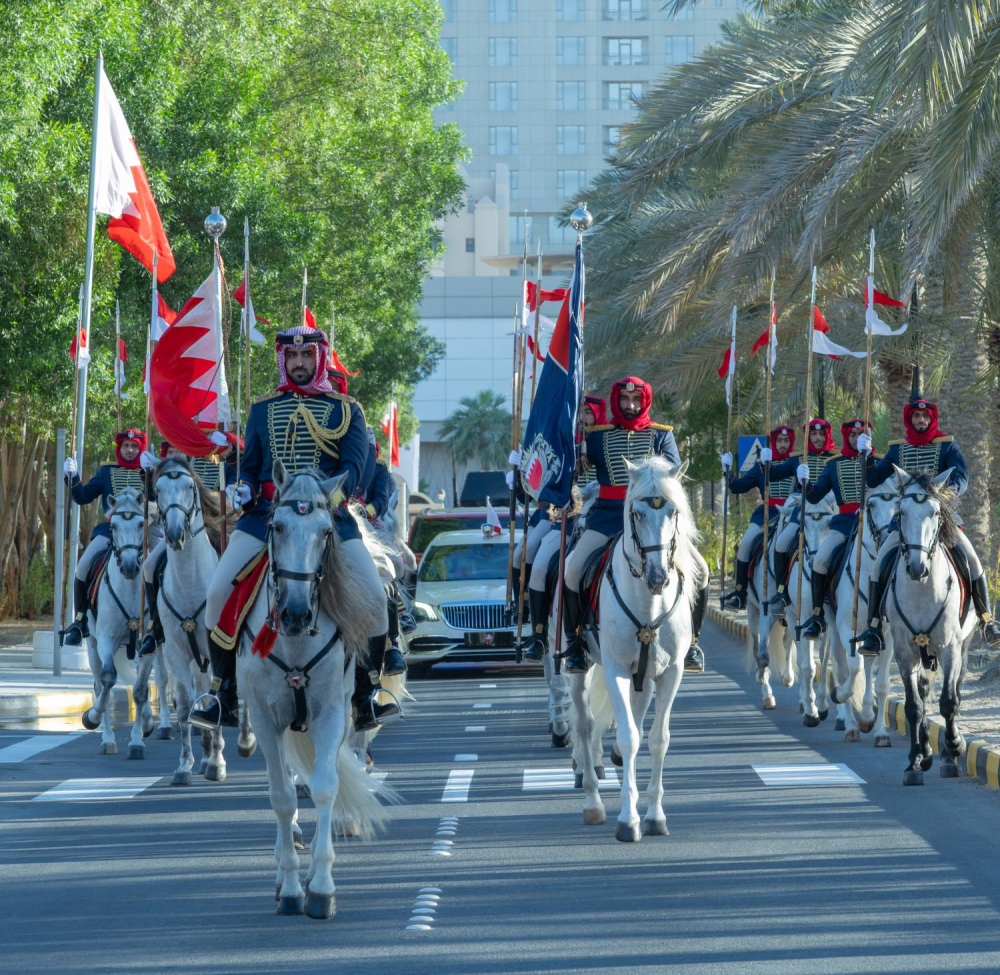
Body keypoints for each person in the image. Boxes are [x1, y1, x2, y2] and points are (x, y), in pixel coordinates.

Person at [192, 324, 390, 731]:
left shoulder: (346, 409)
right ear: (283, 359)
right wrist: (244, 489)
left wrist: (325, 504)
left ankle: (368, 692)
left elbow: (354, 468)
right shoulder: (263, 408)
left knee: (376, 597)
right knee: (215, 594)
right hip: (266, 514)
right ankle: (221, 691)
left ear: (320, 357)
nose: (299, 363)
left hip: (328, 520)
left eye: (307, 356)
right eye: (292, 357)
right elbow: (249, 468)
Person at [561, 376, 710, 674]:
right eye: (625, 401)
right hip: (606, 516)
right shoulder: (598, 436)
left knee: (703, 571)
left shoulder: (661, 436)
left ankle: (691, 642)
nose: (630, 406)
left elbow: (673, 480)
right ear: (616, 401)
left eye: (636, 401)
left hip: (653, 521)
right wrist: (567, 463)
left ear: (645, 402)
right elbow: (574, 472)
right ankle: (576, 642)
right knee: (572, 570)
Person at [856, 393, 1000, 653]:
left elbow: (961, 477)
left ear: (931, 418)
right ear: (909, 420)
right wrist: (865, 458)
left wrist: (943, 497)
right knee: (878, 567)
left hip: (940, 518)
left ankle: (986, 619)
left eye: (925, 416)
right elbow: (874, 480)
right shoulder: (897, 449)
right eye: (916, 416)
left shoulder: (947, 446)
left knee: (973, 559)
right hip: (904, 522)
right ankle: (874, 629)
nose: (921, 420)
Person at [133, 435, 239, 659]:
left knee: (238, 567)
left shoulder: (218, 460)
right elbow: (154, 496)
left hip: (216, 528)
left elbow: (236, 477)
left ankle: (237, 623)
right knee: (149, 566)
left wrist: (233, 491)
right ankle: (155, 627)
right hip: (178, 528)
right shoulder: (172, 470)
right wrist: (147, 474)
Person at [61, 429, 148, 646]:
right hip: (110, 531)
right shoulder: (107, 472)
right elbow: (82, 497)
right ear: (119, 449)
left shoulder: (149, 472)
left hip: (142, 533)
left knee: (163, 567)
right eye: (126, 446)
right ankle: (80, 621)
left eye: (134, 446)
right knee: (82, 568)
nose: (129, 450)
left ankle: (159, 624)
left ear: (141, 448)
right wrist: (72, 478)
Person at [798, 420, 876, 639]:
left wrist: (869, 458)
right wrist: (804, 483)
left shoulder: (878, 461)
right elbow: (815, 495)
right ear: (846, 437)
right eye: (852, 434)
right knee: (820, 560)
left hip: (874, 525)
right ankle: (817, 615)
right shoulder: (834, 464)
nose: (856, 438)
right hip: (843, 523)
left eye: (861, 434)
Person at [765, 418, 838, 615]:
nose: (817, 438)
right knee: (781, 543)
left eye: (821, 434)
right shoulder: (798, 459)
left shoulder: (836, 458)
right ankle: (781, 592)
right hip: (803, 507)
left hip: (831, 508)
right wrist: (766, 464)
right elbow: (774, 475)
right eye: (813, 434)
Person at [720, 424, 797, 610]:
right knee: (745, 544)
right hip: (767, 514)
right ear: (773, 442)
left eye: (786, 440)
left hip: (793, 514)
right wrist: (728, 471)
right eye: (779, 440)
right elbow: (738, 487)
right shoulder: (761, 465)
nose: (783, 444)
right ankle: (740, 593)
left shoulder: (798, 464)